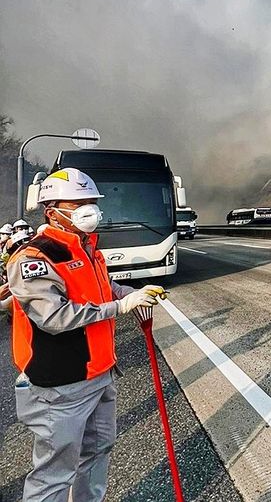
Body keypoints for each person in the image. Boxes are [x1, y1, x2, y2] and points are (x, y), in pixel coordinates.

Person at [6, 167, 166, 502]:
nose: (89, 210)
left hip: (101, 373)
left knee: (97, 453)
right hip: (61, 384)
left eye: (92, 202)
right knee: (54, 473)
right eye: (78, 205)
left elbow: (100, 287)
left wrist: (127, 292)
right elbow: (54, 317)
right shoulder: (34, 257)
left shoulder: (88, 248)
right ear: (52, 212)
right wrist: (119, 307)